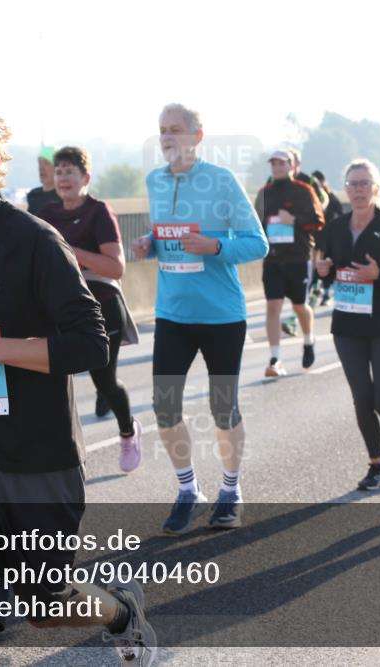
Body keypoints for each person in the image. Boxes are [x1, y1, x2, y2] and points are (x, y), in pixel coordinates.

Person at [0, 96, 156, 667]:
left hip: (39, 458)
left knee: (45, 604)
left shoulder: (35, 240)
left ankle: (119, 611)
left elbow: (91, 343)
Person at [132, 103, 268, 534]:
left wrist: (214, 247)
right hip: (173, 313)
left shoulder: (222, 181)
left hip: (221, 315)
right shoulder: (154, 181)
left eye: (175, 129)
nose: (168, 137)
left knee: (222, 406)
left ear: (197, 136)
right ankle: (189, 491)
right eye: (162, 131)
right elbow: (167, 237)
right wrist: (149, 245)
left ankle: (231, 490)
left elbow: (257, 243)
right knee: (164, 405)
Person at [315, 159, 380, 490]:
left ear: (376, 189)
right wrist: (324, 269)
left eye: (365, 183)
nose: (358, 190)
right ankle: (377, 465)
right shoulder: (334, 228)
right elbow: (326, 265)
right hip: (347, 326)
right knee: (362, 396)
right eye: (353, 184)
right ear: (344, 189)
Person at [39, 146, 143, 472]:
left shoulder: (99, 212)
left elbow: (115, 267)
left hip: (101, 307)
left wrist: (70, 252)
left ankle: (127, 431)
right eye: (59, 172)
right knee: (51, 381)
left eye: (70, 171)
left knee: (105, 382)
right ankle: (58, 453)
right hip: (59, 310)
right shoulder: (47, 215)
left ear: (86, 177)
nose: (63, 178)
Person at [254, 149, 325, 375]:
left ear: (292, 166)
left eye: (282, 163)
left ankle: (308, 340)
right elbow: (256, 224)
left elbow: (318, 220)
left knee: (299, 306)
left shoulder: (304, 191)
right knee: (273, 306)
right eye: (273, 164)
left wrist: (293, 220)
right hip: (273, 259)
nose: (277, 167)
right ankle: (275, 358)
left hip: (298, 258)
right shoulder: (264, 193)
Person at [310, 169, 344, 307]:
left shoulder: (331, 197)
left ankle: (326, 292)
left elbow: (341, 214)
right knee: (314, 263)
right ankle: (315, 288)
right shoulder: (312, 197)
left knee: (324, 263)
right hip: (315, 235)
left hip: (328, 236)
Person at [25, 144, 60, 215]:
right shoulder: (33, 195)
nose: (41, 167)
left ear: (58, 168)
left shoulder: (64, 198)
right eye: (39, 162)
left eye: (47, 163)